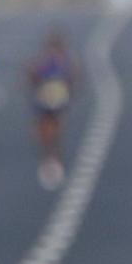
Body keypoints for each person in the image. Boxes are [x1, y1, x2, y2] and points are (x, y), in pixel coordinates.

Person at [28, 29, 76, 190]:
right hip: (50, 97)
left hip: (51, 97)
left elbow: (32, 75)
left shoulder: (51, 61)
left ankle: (52, 160)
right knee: (49, 130)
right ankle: (51, 160)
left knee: (50, 130)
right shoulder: (60, 61)